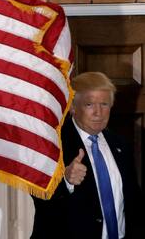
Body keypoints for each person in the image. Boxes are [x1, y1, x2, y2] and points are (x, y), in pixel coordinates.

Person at [31, 72, 143, 239]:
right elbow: (41, 202)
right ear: (74, 107)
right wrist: (66, 181)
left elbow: (134, 203)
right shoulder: (52, 144)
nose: (98, 113)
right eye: (89, 104)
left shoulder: (121, 145)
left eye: (104, 104)